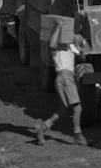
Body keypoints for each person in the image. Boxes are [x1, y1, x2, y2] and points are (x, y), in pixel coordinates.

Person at [36, 19, 91, 147]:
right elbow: (51, 43)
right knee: (77, 108)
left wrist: (81, 47)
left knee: (64, 111)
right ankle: (78, 136)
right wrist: (58, 26)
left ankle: (43, 127)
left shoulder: (70, 46)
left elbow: (82, 58)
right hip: (64, 77)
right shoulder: (57, 47)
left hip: (68, 77)